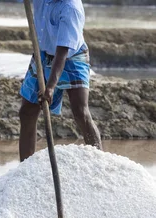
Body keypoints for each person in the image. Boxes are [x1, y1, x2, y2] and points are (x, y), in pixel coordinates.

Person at [19, 0, 102, 161]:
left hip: (72, 56)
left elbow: (62, 52)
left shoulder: (71, 8)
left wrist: (50, 87)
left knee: (80, 111)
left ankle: (99, 161)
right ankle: (24, 168)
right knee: (27, 112)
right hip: (43, 53)